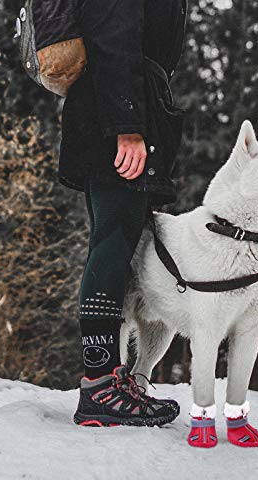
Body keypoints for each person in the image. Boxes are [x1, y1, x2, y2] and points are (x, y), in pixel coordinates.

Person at [57, 0, 187, 427]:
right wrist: (127, 128)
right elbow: (113, 39)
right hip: (113, 119)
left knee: (116, 241)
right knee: (112, 245)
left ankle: (106, 381)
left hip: (112, 111)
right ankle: (100, 386)